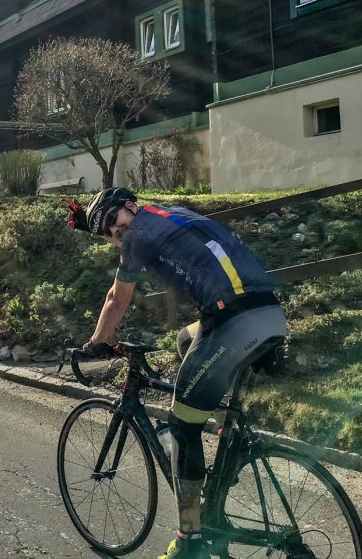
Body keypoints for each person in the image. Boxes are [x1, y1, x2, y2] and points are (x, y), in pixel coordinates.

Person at [65, 187, 286, 559]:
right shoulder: (172, 214)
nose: (116, 233)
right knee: (186, 342)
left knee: (181, 429)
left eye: (113, 221)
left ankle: (190, 542)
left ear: (130, 206)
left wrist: (97, 343)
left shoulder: (138, 234)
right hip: (267, 313)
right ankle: (223, 433)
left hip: (235, 322)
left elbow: (117, 298)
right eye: (107, 233)